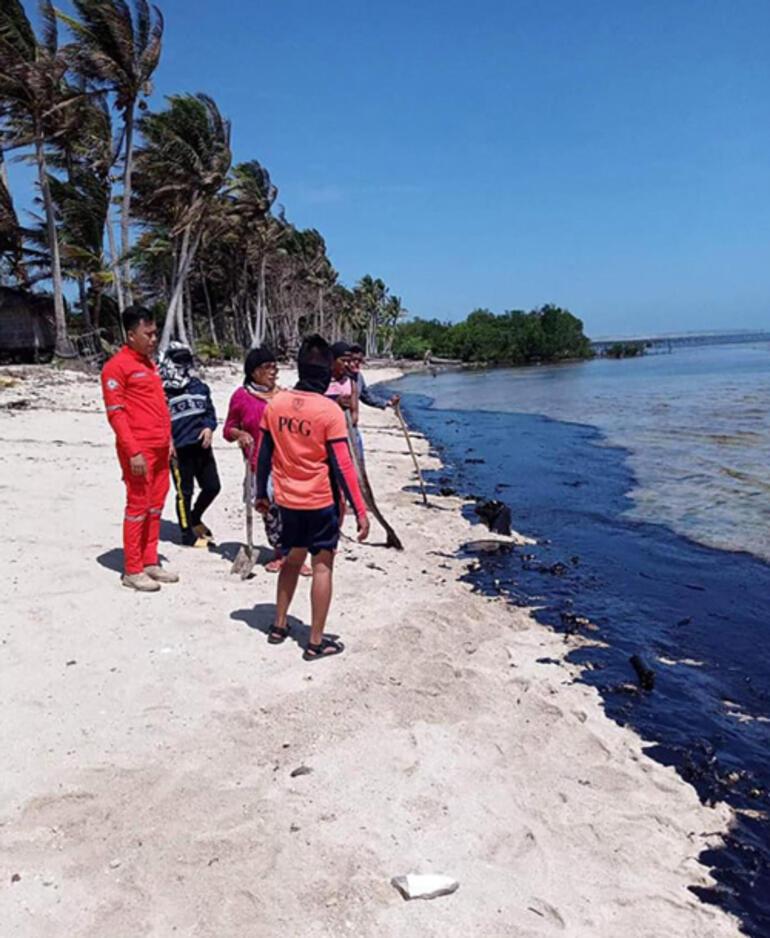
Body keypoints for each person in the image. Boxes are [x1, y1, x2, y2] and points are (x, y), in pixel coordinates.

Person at [255, 335, 370, 660]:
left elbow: (263, 455)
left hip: (287, 501)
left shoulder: (275, 404)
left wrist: (261, 494)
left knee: (292, 560)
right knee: (322, 568)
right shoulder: (329, 412)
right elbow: (342, 465)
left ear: (300, 367)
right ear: (326, 372)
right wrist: (360, 510)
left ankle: (279, 625)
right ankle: (316, 642)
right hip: (321, 503)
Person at [101, 306, 178, 592]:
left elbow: (159, 406)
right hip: (138, 449)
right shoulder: (116, 367)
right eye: (148, 334)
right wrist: (132, 450)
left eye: (155, 333)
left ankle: (149, 560)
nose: (153, 338)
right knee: (138, 506)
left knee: (156, 505)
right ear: (131, 335)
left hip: (160, 448)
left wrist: (169, 440)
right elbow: (116, 413)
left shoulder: (150, 365)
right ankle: (132, 569)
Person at [223, 348, 309, 575]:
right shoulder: (241, 396)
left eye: (274, 367)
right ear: (253, 372)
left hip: (288, 461)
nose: (273, 372)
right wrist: (239, 435)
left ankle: (295, 555)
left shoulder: (285, 396)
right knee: (269, 509)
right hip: (258, 464)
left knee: (292, 509)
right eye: (266, 368)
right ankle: (280, 553)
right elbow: (228, 428)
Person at [160, 342, 221, 548]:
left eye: (187, 360)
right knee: (184, 492)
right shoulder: (161, 392)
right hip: (178, 449)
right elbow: (158, 420)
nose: (184, 366)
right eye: (179, 361)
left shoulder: (200, 387)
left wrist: (209, 428)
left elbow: (210, 413)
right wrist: (166, 441)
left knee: (213, 487)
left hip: (201, 446)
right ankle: (187, 534)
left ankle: (195, 517)